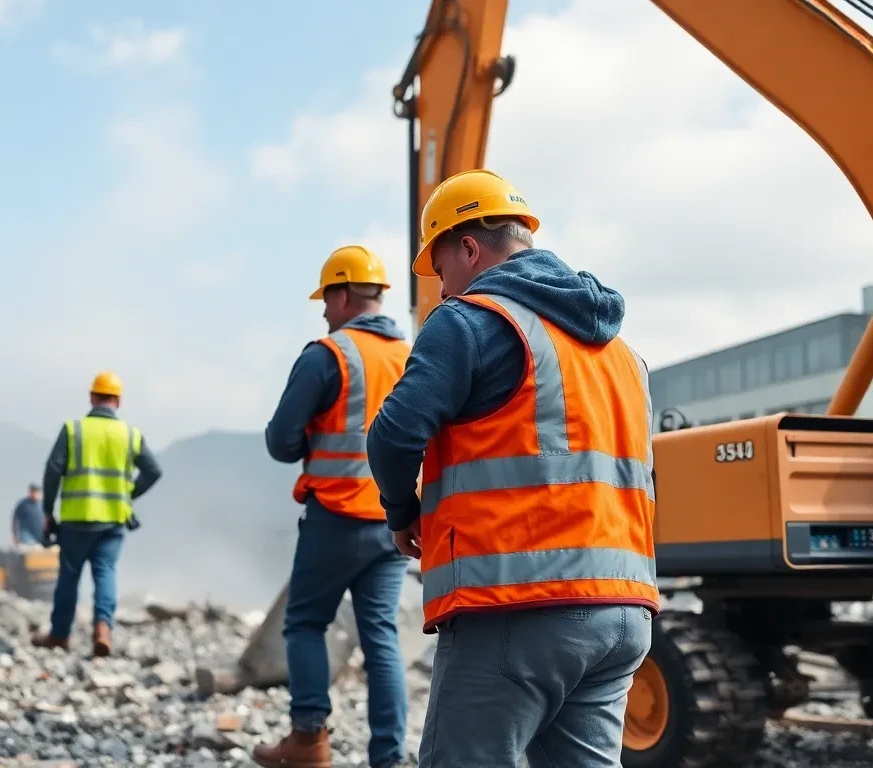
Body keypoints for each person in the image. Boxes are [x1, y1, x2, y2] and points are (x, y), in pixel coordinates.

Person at [366, 169, 658, 768]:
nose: (443, 289)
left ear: (469, 247)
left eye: (441, 269)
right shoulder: (623, 353)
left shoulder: (470, 321)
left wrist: (401, 512)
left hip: (520, 601)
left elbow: (394, 435)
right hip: (623, 610)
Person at [253, 246, 412, 768]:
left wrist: (310, 441)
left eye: (326, 299)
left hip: (337, 517)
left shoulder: (329, 354)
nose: (323, 310)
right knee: (381, 639)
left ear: (344, 295)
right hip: (394, 523)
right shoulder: (411, 355)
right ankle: (387, 757)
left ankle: (308, 741)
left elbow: (280, 441)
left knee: (303, 624)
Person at [32, 371, 162, 657]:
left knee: (69, 578)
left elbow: (53, 472)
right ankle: (103, 628)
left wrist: (47, 511)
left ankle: (60, 634)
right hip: (113, 519)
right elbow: (154, 471)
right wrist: (128, 493)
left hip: (76, 519)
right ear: (118, 401)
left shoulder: (72, 430)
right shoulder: (130, 435)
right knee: (105, 574)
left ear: (92, 397)